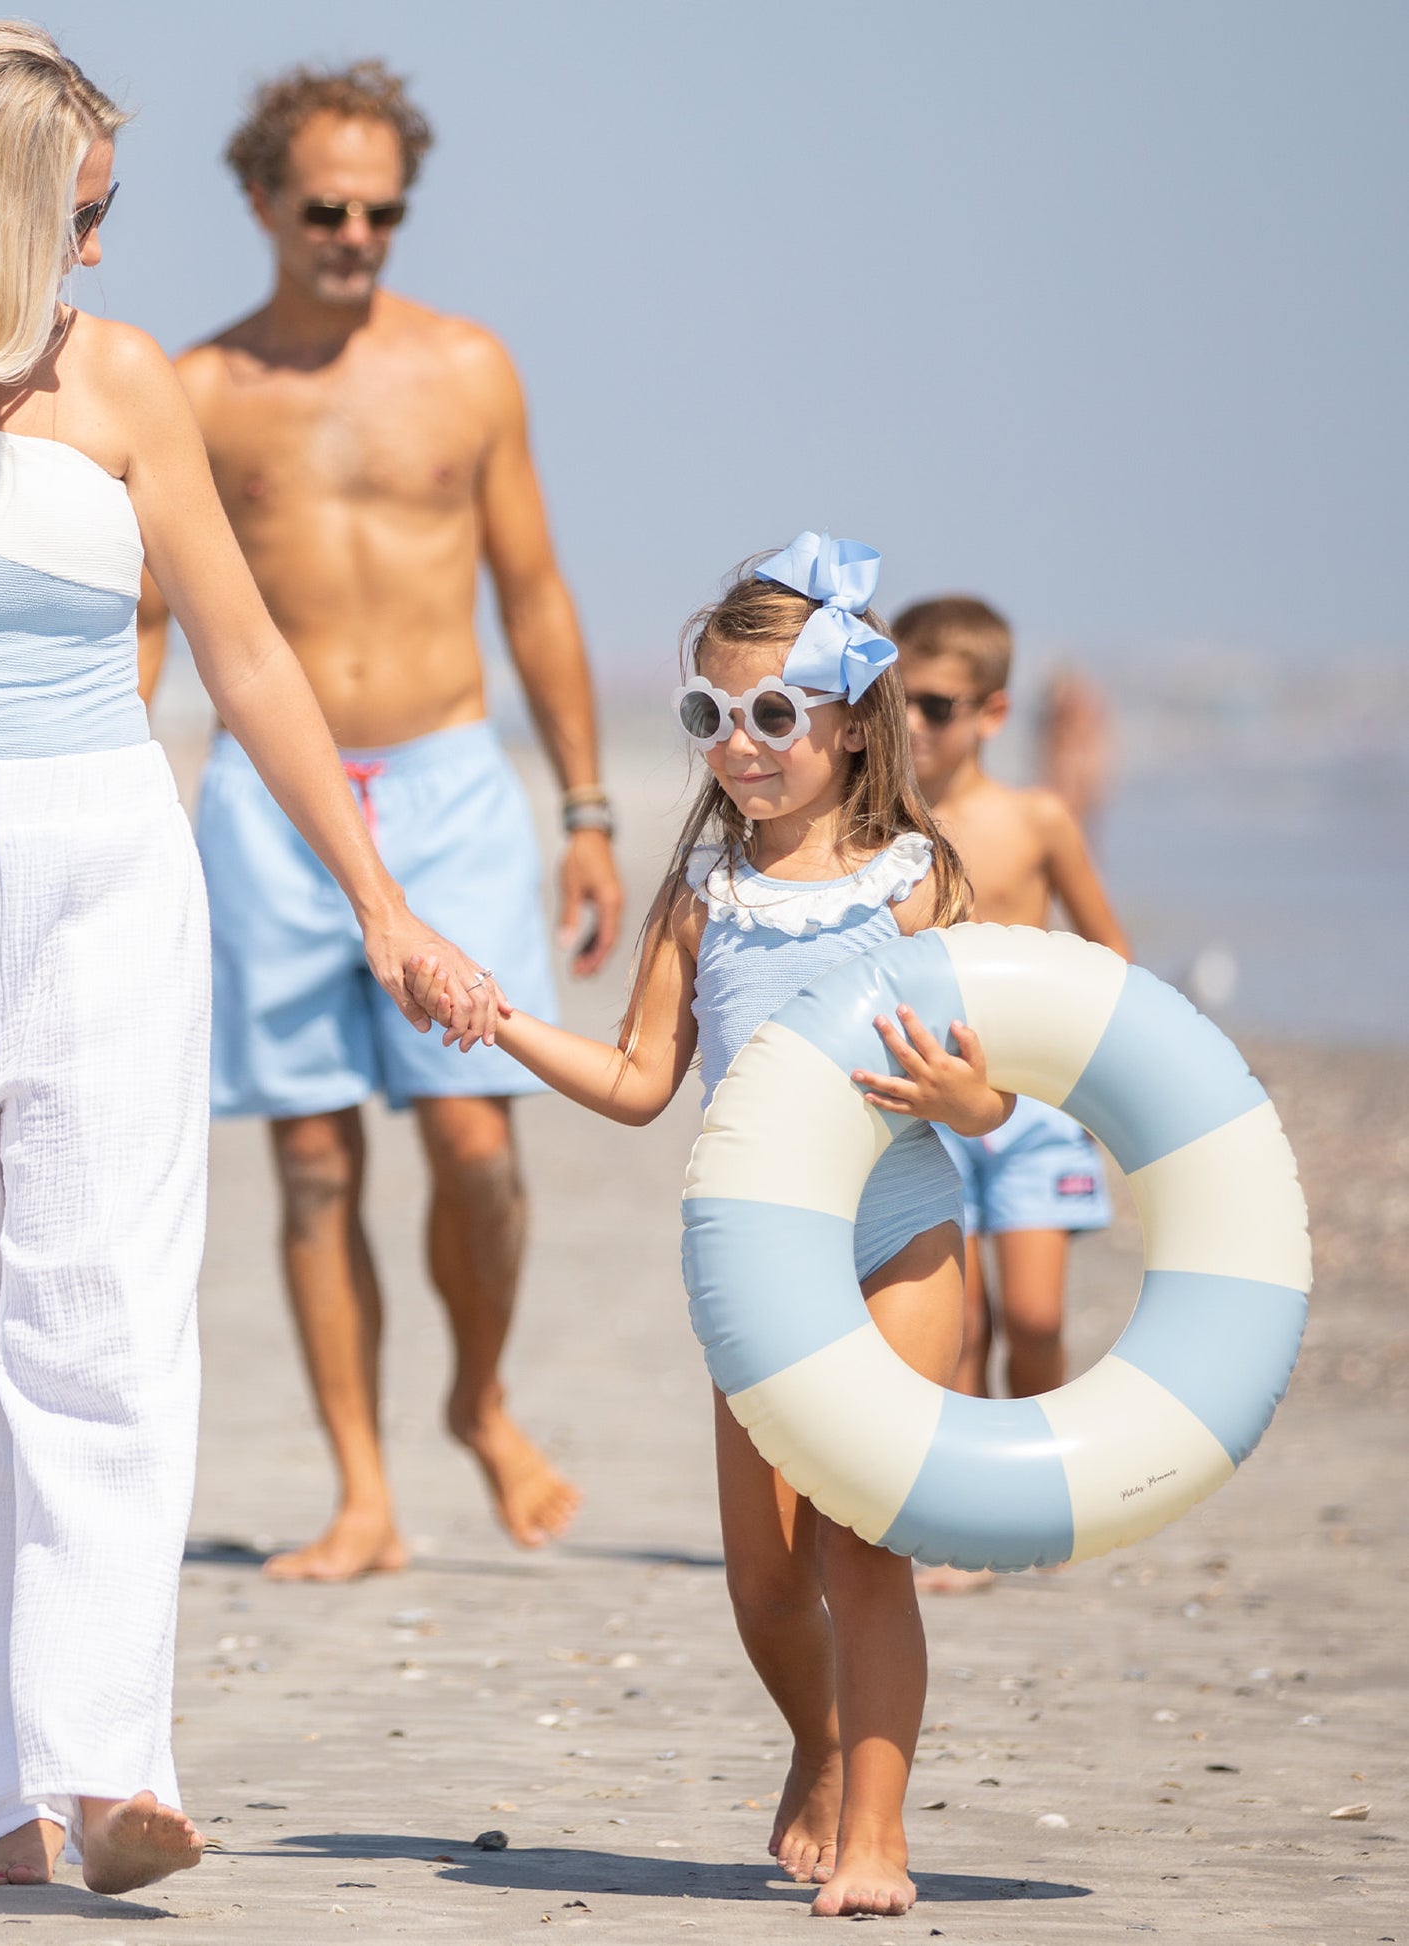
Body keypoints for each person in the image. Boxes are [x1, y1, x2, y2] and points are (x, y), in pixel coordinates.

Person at [0, 23, 498, 1895]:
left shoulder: (123, 380)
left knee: (102, 1322)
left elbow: (253, 660)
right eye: (83, 215)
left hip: (103, 870)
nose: (105, 256)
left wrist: (381, 903)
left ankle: (108, 1764)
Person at [408, 535, 1012, 1918]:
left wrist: (964, 1094)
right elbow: (634, 1082)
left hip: (900, 1238)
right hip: (758, 1263)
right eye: (709, 715)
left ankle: (876, 1830)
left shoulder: (916, 880)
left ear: (850, 721)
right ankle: (812, 1740)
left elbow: (993, 1095)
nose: (739, 747)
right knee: (760, 1577)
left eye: (773, 716)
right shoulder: (703, 896)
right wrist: (498, 1018)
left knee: (862, 1548)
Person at [137, 61, 623, 1581]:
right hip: (268, 806)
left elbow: (534, 594)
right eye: (327, 207)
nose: (356, 234)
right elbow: (147, 621)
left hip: (448, 787)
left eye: (383, 211)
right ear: (261, 199)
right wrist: (129, 812)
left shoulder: (468, 368)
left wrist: (587, 808)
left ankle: (477, 1400)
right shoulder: (199, 390)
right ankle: (361, 1491)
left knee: (476, 1142)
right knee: (312, 1165)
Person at [892, 597, 1130, 1405]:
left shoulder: (1038, 820)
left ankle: (1032, 1476)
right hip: (931, 1096)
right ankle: (965, 1511)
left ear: (993, 712)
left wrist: (1105, 1077)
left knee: (1032, 1320)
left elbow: (1110, 954)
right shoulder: (884, 832)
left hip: (1035, 1097)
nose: (913, 724)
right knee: (957, 1328)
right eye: (897, 702)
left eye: (935, 705)